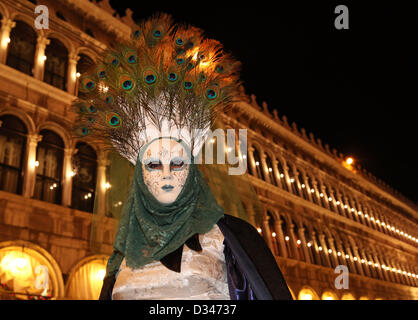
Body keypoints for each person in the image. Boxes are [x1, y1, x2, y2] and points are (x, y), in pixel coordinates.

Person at [73, 13, 292, 300]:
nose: (165, 173)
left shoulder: (232, 238)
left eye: (176, 162)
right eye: (153, 164)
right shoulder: (124, 251)